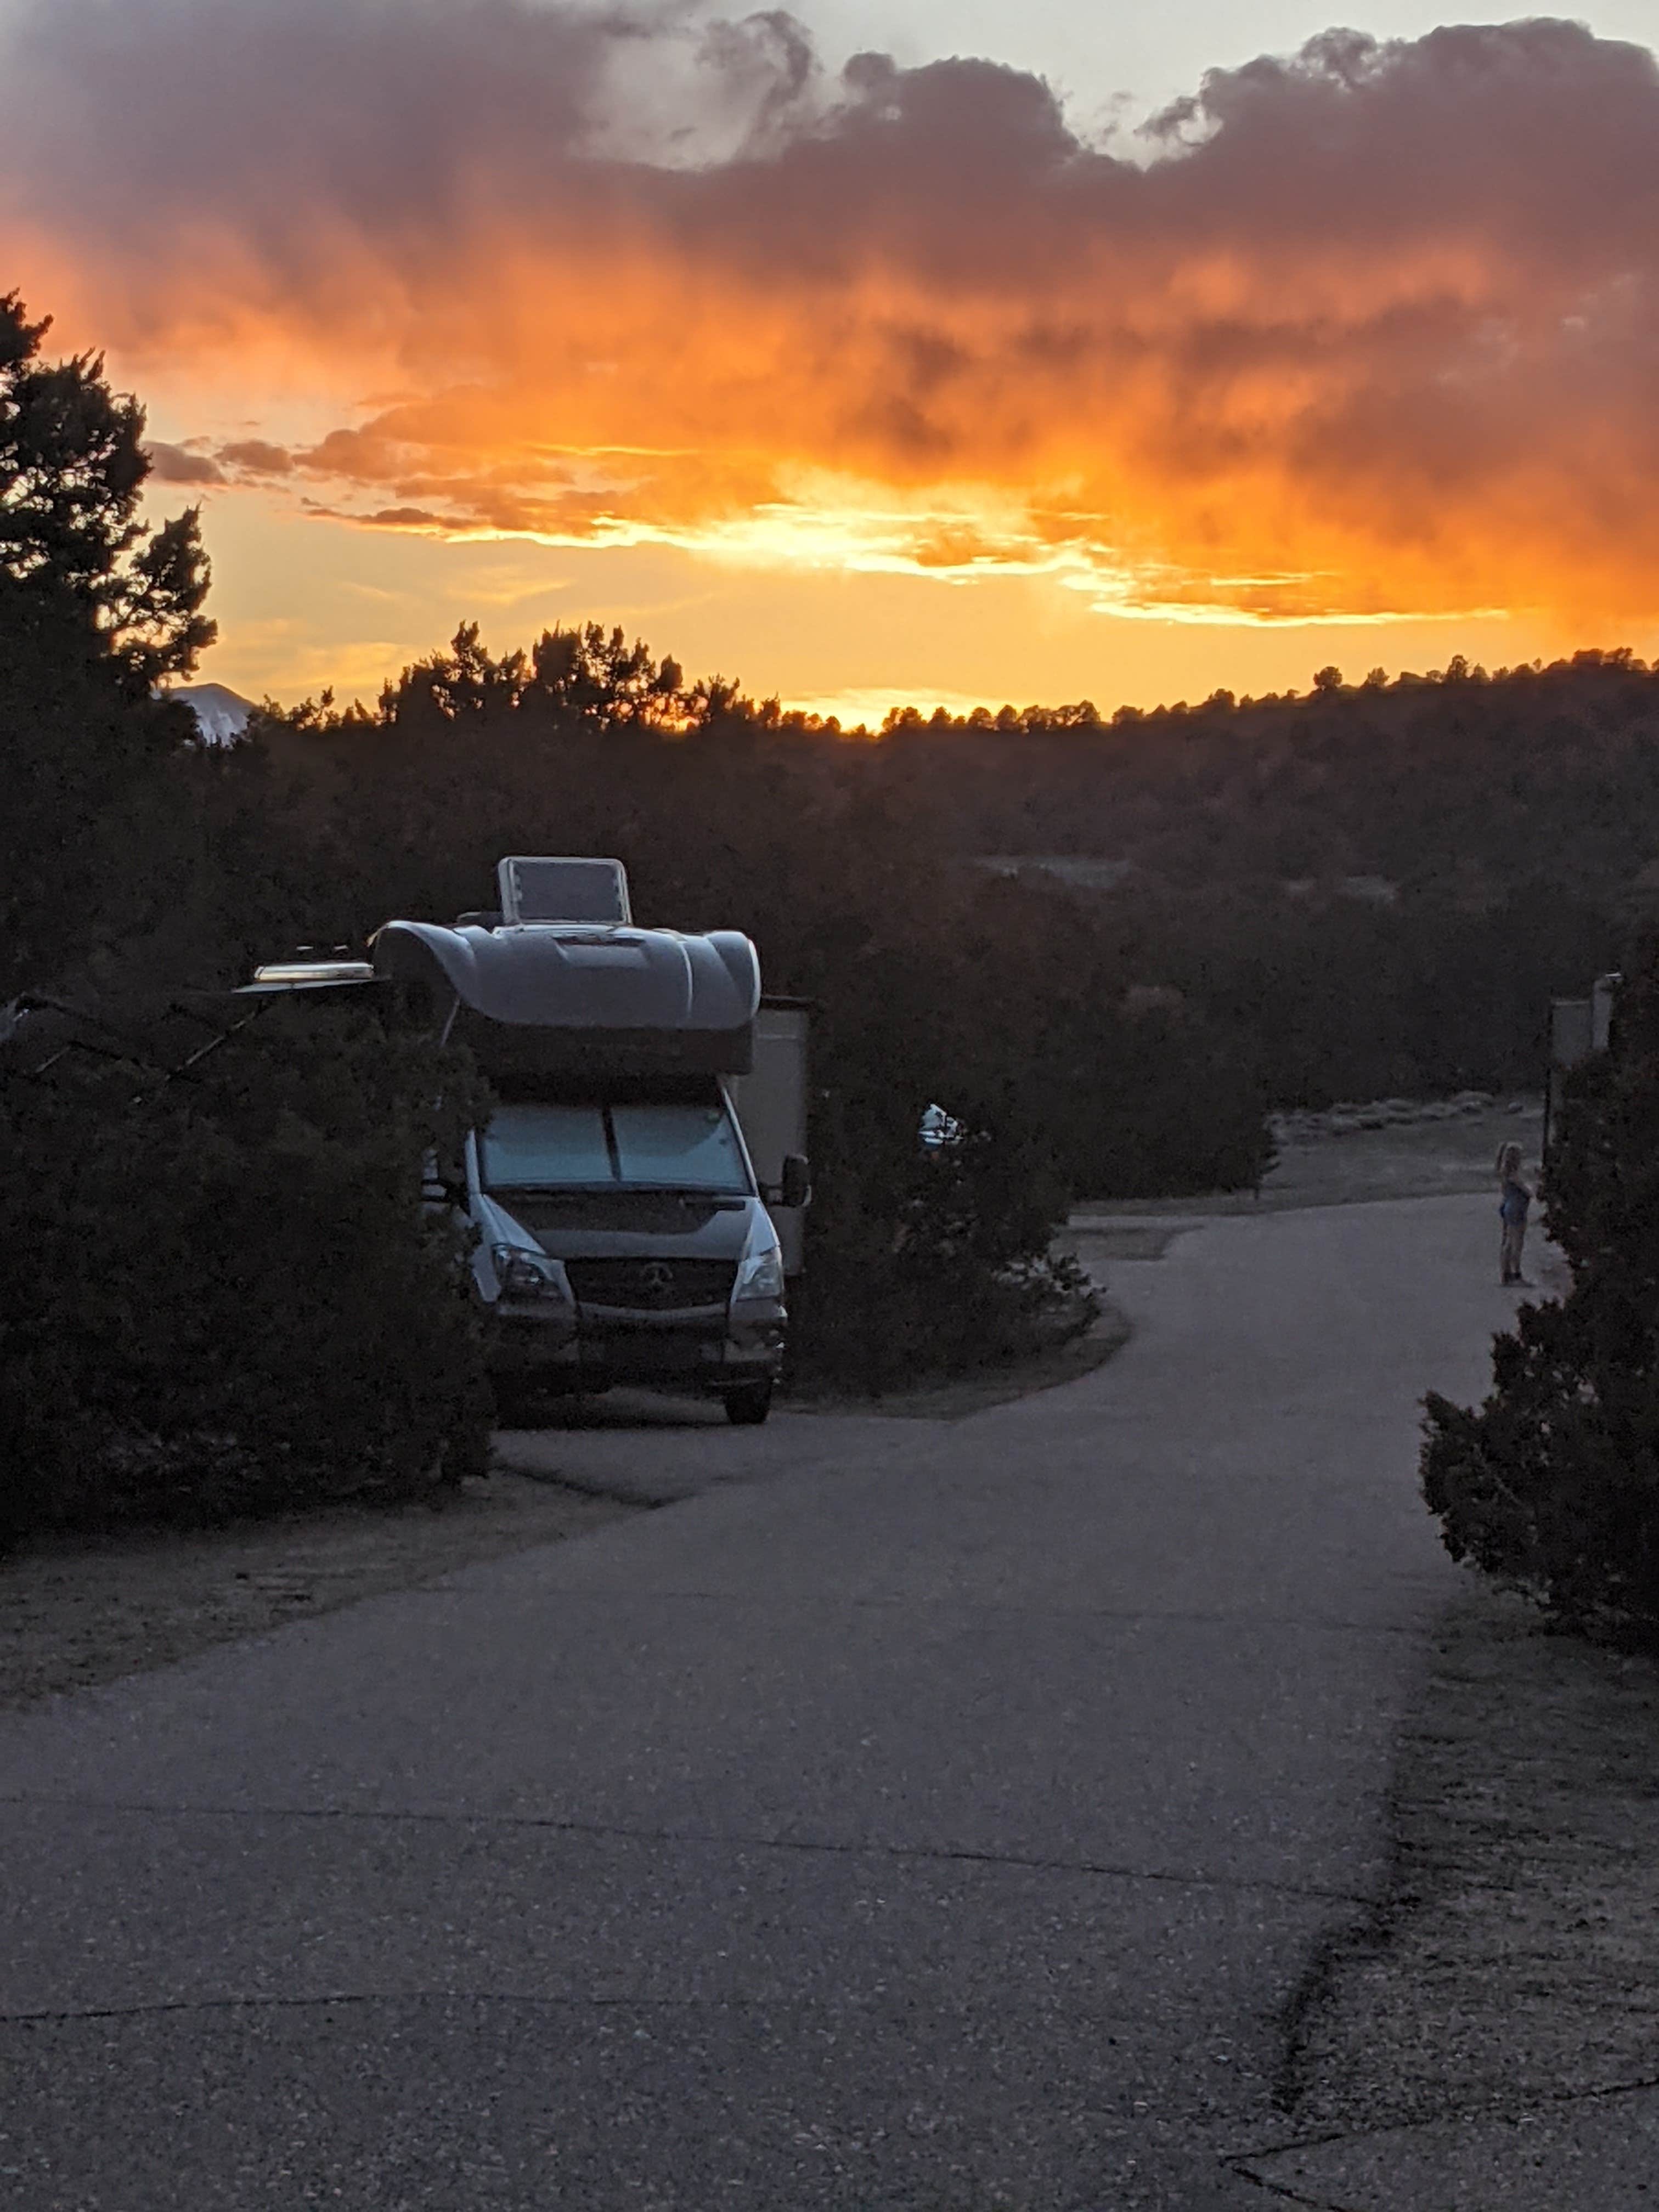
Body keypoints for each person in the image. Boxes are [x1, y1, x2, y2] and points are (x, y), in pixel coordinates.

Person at [1496, 1142, 1532, 1286]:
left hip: (1508, 1206)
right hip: (1517, 1209)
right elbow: (1527, 1191)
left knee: (1508, 1242)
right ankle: (1516, 1274)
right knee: (1517, 1243)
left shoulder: (1504, 1174)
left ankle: (1506, 1273)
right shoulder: (1514, 1175)